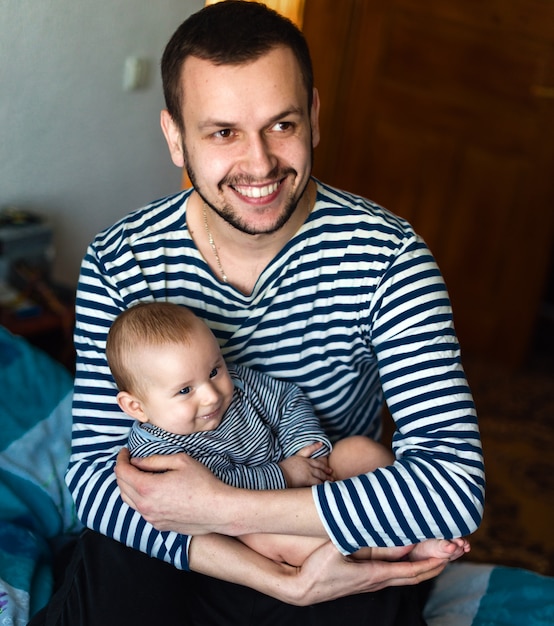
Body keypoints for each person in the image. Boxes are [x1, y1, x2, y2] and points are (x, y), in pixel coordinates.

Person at [30, 2, 484, 624]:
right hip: (191, 553)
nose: (260, 163)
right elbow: (94, 481)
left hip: (322, 540)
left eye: (282, 125)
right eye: (223, 132)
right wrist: (265, 573)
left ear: (315, 118)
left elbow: (453, 488)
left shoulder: (389, 258)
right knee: (113, 569)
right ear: (175, 137)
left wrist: (225, 508)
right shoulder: (120, 260)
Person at [107, 301, 470, 568]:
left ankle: (406, 528)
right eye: (185, 391)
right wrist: (284, 474)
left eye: (214, 370)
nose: (211, 394)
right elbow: (214, 490)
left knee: (360, 451)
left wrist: (306, 451)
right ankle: (378, 553)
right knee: (267, 539)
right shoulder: (155, 452)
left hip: (306, 479)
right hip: (244, 521)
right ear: (137, 407)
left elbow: (287, 398)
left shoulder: (241, 385)